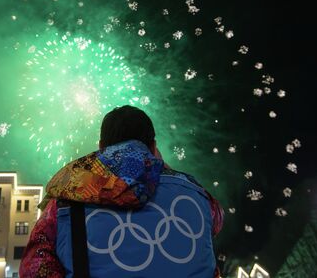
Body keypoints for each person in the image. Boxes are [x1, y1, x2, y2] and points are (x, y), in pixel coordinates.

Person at [20, 105, 224, 277]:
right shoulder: (199, 195)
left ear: (101, 148)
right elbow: (217, 221)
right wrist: (162, 167)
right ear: (153, 147)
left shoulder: (65, 199)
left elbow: (34, 268)